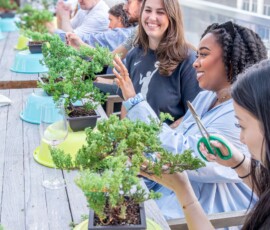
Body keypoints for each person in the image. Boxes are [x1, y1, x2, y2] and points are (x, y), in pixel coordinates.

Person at [113, 19, 267, 219]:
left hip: (195, 216)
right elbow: (175, 138)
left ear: (229, 60)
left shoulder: (239, 116)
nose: (195, 62)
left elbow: (186, 154)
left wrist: (134, 101)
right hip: (166, 197)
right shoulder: (206, 97)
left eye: (203, 54)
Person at [141, 59, 270, 229]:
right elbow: (265, 187)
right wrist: (237, 162)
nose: (241, 139)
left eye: (242, 126)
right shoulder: (204, 98)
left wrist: (184, 192)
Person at [115, 0, 200, 126]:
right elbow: (126, 103)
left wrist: (159, 139)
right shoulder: (134, 55)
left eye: (160, 12)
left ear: (172, 17)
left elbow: (193, 116)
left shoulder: (188, 61)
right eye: (148, 10)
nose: (152, 17)